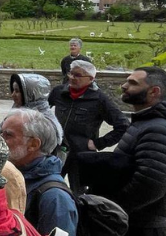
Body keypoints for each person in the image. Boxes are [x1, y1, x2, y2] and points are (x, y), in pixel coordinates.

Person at [103, 67, 166, 236]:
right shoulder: (146, 121)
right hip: (132, 221)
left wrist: (111, 206)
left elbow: (151, 185)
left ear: (154, 91)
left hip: (140, 226)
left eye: (132, 83)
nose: (124, 86)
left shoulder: (158, 129)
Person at [48, 60, 129, 195]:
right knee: (49, 186)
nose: (72, 78)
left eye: (78, 75)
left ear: (91, 79)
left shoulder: (99, 99)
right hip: (56, 151)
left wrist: (99, 143)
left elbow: (123, 125)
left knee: (80, 195)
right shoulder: (59, 92)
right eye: (71, 73)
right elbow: (42, 110)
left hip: (82, 154)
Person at [0, 108, 77, 236]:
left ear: (33, 144)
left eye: (8, 135)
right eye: (0, 132)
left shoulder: (55, 197)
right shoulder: (11, 174)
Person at [10, 73, 63, 141]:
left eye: (17, 91)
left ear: (31, 94)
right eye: (13, 90)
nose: (13, 95)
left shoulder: (44, 123)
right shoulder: (18, 110)